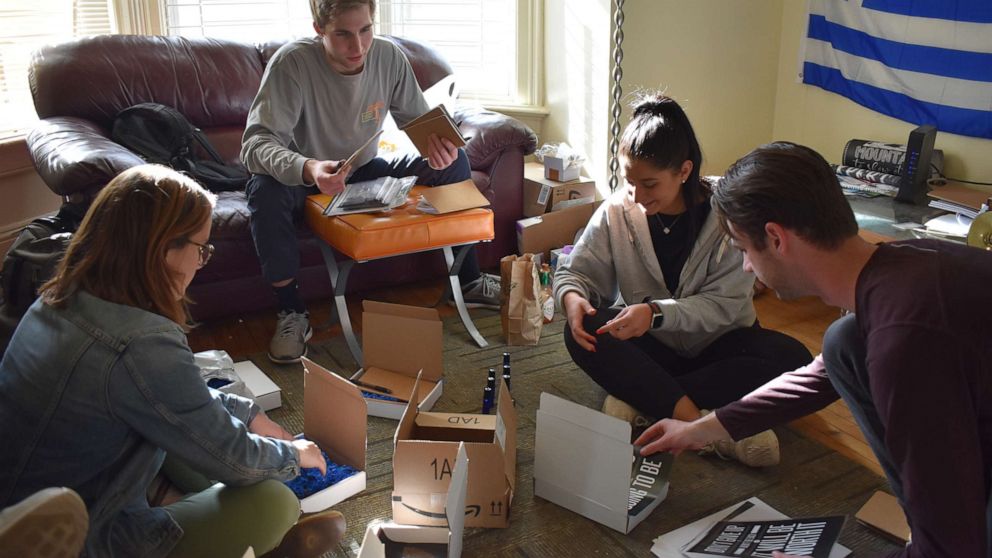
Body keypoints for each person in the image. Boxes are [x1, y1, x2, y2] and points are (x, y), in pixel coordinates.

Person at [635, 142, 992, 557]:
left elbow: (954, 549)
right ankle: (927, 515)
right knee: (843, 343)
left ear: (776, 238)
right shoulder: (898, 264)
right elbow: (820, 376)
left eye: (743, 251)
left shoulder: (905, 341)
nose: (747, 267)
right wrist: (703, 428)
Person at [0, 165, 346, 558]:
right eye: (201, 249)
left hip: (31, 498)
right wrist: (293, 456)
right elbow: (233, 459)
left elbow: (171, 398)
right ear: (162, 248)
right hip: (86, 536)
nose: (202, 263)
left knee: (199, 440)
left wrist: (248, 414)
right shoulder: (142, 342)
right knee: (275, 502)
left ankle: (170, 498)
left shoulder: (58, 296)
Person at [554, 94, 811, 467]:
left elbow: (723, 306)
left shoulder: (730, 215)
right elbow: (576, 270)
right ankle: (704, 428)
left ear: (685, 171)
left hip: (720, 344)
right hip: (654, 345)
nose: (638, 196)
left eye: (651, 184)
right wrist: (572, 297)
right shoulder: (617, 210)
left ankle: (645, 401)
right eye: (630, 182)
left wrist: (656, 313)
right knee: (583, 330)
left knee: (795, 361)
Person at [241, 0, 500, 364]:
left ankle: (468, 279)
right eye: (343, 34)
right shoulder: (292, 63)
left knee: (454, 163)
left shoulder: (388, 57)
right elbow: (255, 144)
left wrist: (437, 146)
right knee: (264, 193)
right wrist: (310, 168)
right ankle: (292, 311)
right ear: (319, 29)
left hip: (361, 169)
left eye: (365, 30)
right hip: (300, 175)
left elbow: (419, 120)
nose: (358, 47)